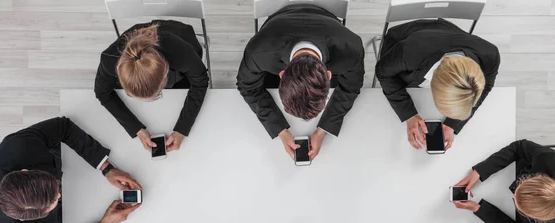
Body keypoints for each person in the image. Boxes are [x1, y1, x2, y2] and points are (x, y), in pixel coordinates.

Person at [0, 117, 141, 223]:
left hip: (60, 162)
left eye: (55, 187)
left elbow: (63, 127)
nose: (59, 195)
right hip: (61, 221)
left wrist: (107, 168)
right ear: (36, 217)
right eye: (54, 200)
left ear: (26, 171)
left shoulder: (17, 147)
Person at [236, 4, 364, 161]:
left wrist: (323, 129)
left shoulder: (351, 50)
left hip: (326, 19)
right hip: (278, 25)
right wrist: (279, 129)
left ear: (329, 76)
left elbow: (351, 87)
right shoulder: (258, 52)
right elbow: (247, 87)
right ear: (281, 75)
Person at [375, 19, 500, 151]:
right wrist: (408, 114)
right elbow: (383, 72)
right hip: (405, 41)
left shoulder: (491, 55)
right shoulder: (410, 52)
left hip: (447, 34)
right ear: (433, 86)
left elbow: (486, 87)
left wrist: (452, 123)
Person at [95, 20, 209, 153]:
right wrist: (137, 129)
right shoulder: (109, 59)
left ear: (166, 73)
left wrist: (182, 129)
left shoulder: (181, 53)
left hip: (180, 37)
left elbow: (200, 81)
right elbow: (102, 93)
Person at [454, 140, 555, 223]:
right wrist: (480, 172)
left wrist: (478, 209)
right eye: (521, 186)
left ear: (535, 218)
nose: (513, 195)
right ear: (535, 178)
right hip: (515, 168)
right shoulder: (548, 161)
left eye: (519, 204)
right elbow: (518, 147)